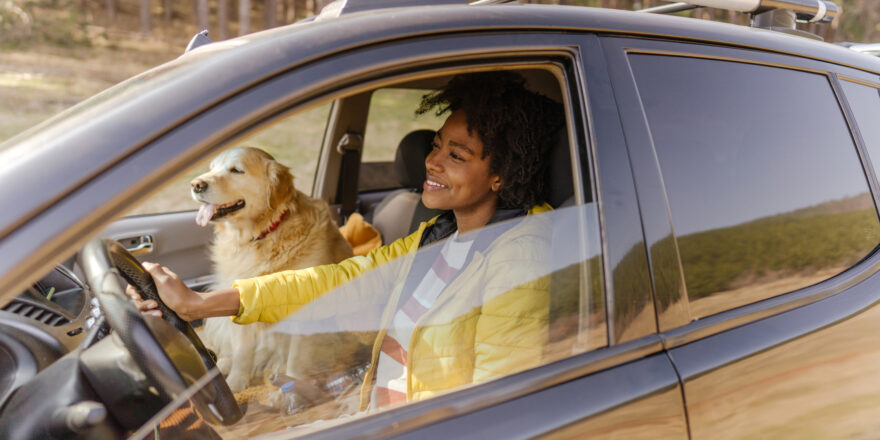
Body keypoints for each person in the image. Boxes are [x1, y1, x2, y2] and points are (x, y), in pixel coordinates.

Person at [131, 71, 565, 411]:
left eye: (456, 155)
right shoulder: (438, 236)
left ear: (501, 175)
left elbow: (500, 406)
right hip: (374, 406)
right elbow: (336, 280)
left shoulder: (519, 259)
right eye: (436, 145)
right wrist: (202, 304)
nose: (431, 161)